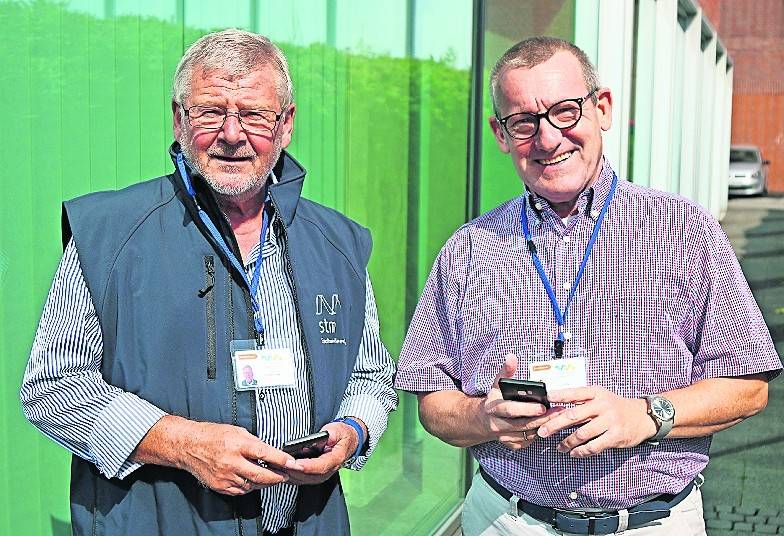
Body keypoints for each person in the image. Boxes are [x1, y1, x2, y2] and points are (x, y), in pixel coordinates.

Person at [394, 36, 781, 536]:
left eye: (565, 111)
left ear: (602, 109)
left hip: (651, 523)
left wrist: (647, 416)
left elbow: (748, 386)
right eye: (524, 122)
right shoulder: (467, 249)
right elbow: (431, 400)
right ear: (500, 134)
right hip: (507, 520)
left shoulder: (685, 231)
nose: (548, 138)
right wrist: (482, 417)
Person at [21, 29, 397, 536]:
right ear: (179, 120)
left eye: (255, 114)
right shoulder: (109, 234)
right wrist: (184, 445)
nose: (232, 134)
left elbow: (372, 377)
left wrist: (351, 432)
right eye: (210, 112)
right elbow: (52, 386)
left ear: (286, 124)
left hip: (308, 522)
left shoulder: (339, 243)